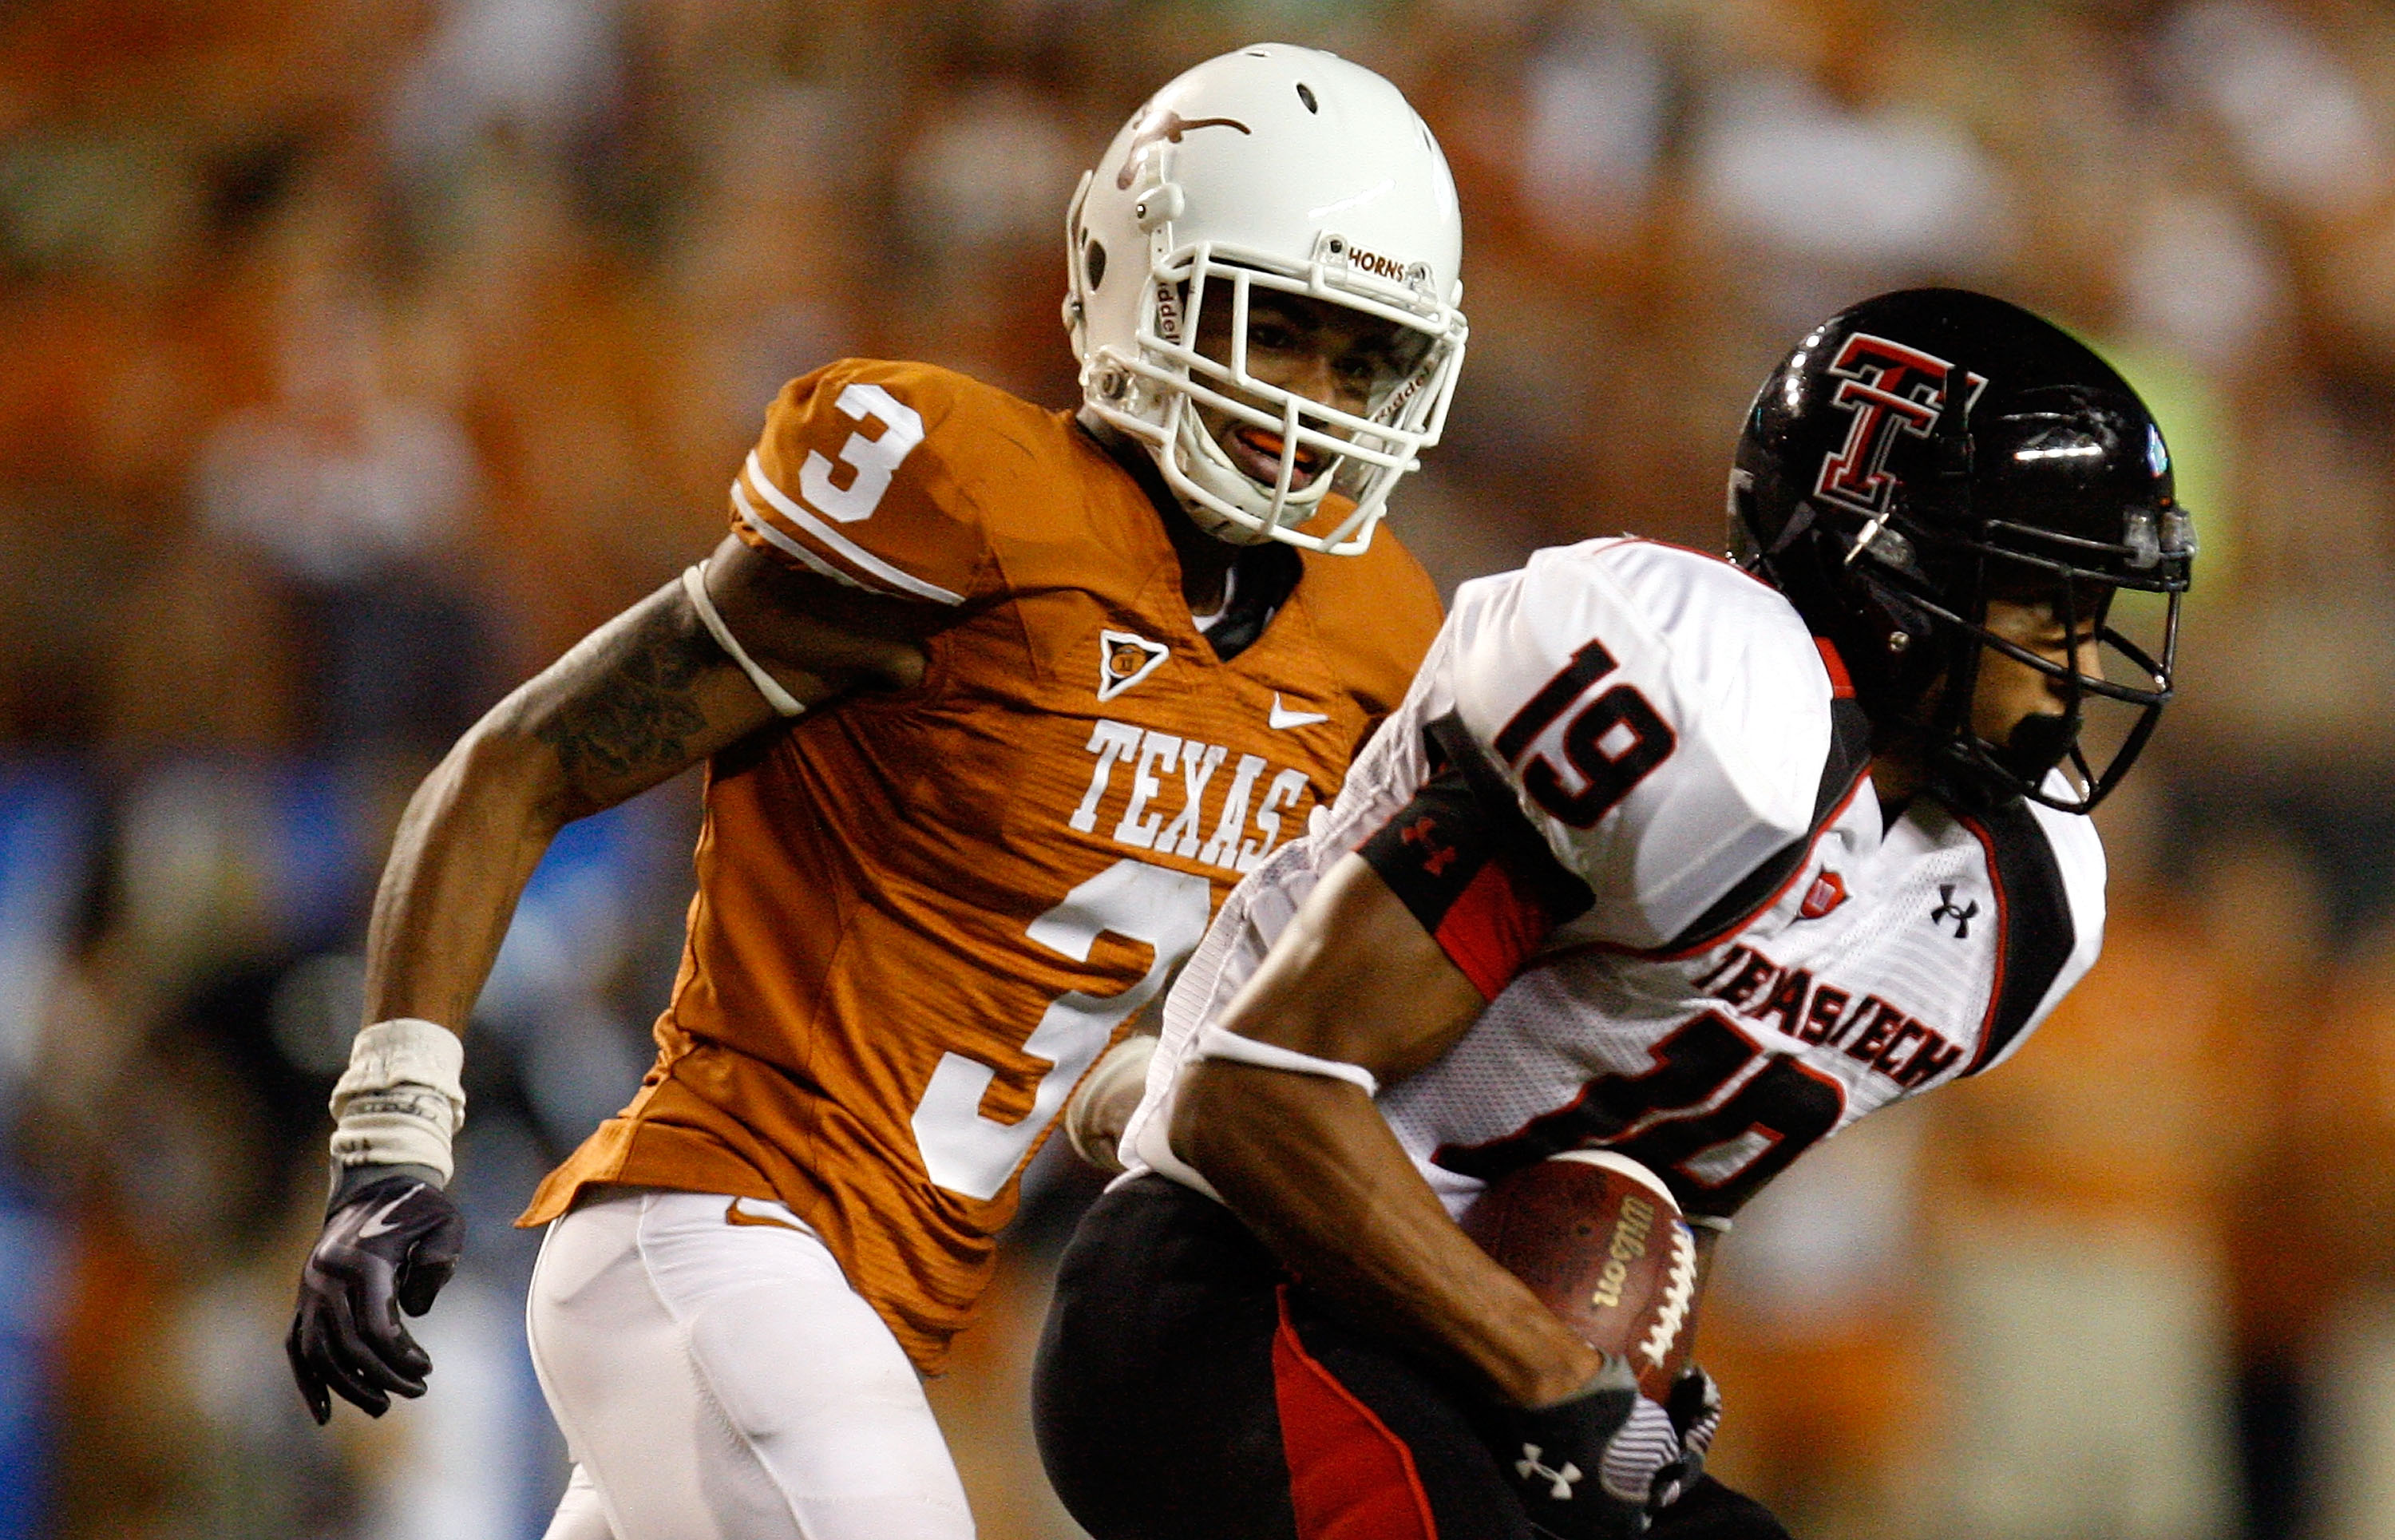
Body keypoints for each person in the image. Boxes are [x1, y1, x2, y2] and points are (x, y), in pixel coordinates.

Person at [283, 44, 1465, 1540]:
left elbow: (1118, 1049)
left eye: (1363, 357)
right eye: (1278, 330)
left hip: (865, 1309)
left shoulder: (1374, 643)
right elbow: (520, 760)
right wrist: (391, 1139)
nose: (1312, 401)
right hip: (716, 1227)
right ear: (1134, 278)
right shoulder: (964, 499)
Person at [1036, 287, 2195, 1540]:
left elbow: (1655, 1180)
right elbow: (1255, 1094)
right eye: (2048, 604)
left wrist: (1632, 1359)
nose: (2084, 661)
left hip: (1478, 1368)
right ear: (1898, 573)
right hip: (1242, 1293)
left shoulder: (2020, 906)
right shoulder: (1702, 715)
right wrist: (1554, 1377)